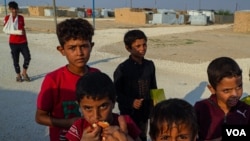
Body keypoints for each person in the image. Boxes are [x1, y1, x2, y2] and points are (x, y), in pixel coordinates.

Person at [35, 18, 100, 141]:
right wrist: (68, 122)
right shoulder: (53, 80)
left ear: (91, 46)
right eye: (72, 48)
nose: (79, 53)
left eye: (84, 46)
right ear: (62, 50)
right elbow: (40, 117)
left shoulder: (96, 75)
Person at [66, 72, 142, 141]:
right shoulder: (79, 127)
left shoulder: (126, 123)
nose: (96, 116)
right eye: (88, 108)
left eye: (103, 106)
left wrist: (127, 138)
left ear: (113, 102)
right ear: (79, 106)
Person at [113, 29, 157, 141]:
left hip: (145, 112)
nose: (142, 49)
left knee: (143, 136)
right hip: (128, 114)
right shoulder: (122, 69)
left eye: (144, 45)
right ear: (128, 48)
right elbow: (115, 94)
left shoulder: (150, 65)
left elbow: (154, 88)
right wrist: (131, 102)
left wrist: (159, 108)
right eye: (138, 46)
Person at [194, 57, 250, 141]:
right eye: (227, 90)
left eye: (239, 87)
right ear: (212, 89)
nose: (234, 94)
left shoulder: (246, 111)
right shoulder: (201, 108)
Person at [3, 1, 31, 82]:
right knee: (16, 60)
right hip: (13, 43)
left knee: (28, 57)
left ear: (17, 9)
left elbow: (23, 29)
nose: (14, 10)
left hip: (23, 42)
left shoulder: (21, 17)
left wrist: (26, 39)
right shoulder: (7, 18)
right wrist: (15, 31)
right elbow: (6, 30)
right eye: (12, 9)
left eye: (15, 9)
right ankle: (18, 75)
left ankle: (24, 73)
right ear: (10, 9)